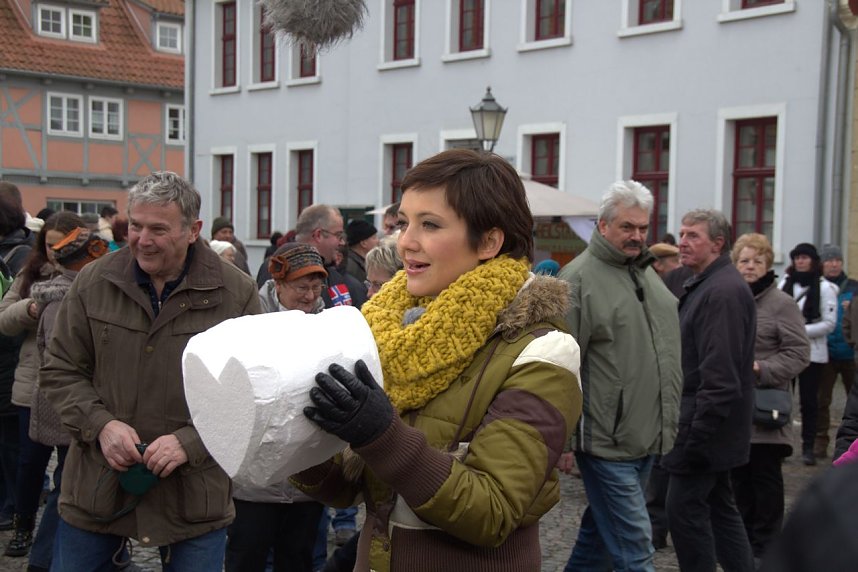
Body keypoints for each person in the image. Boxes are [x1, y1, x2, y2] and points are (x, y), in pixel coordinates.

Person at [291, 149, 582, 570]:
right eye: (405, 222)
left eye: (430, 224)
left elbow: (492, 511)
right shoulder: (386, 329)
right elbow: (346, 491)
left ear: (488, 242)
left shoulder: (543, 351)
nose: (405, 241)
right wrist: (300, 434)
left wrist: (380, 434)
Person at [40, 171, 261, 571]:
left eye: (158, 229)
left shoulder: (236, 293)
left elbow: (254, 393)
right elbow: (60, 369)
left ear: (193, 229)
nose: (143, 240)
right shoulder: (94, 282)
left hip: (194, 496)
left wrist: (190, 443)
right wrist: (101, 426)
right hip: (98, 487)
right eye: (136, 226)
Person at [558, 180, 682, 572]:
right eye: (627, 227)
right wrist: (560, 440)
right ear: (603, 226)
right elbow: (558, 366)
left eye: (643, 228)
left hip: (645, 434)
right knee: (635, 549)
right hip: (604, 441)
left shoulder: (644, 272)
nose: (637, 236)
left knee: (600, 535)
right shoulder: (577, 279)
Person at [661, 209, 756, 572]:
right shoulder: (709, 283)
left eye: (693, 236)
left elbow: (720, 376)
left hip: (706, 427)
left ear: (718, 243)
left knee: (683, 510)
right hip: (710, 425)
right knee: (720, 507)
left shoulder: (723, 291)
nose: (682, 242)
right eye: (682, 234)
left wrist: (696, 436)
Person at [226, 243, 327, 572]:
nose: (310, 296)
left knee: (298, 559)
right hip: (255, 482)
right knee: (246, 557)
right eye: (302, 287)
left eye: (316, 287)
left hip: (307, 478)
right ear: (278, 284)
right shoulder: (250, 322)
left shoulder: (327, 324)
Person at [0, 212, 82, 561]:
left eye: (61, 246)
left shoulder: (86, 277)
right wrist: (32, 309)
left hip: (71, 390)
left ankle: (56, 537)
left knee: (69, 469)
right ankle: (22, 525)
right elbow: (4, 319)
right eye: (49, 245)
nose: (54, 252)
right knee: (29, 466)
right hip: (31, 386)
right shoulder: (29, 273)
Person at [27, 226, 109, 571]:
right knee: (68, 488)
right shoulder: (68, 300)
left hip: (61, 406)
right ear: (89, 257)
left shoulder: (57, 295)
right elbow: (67, 361)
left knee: (67, 484)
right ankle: (45, 560)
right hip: (68, 409)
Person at [730, 233, 810, 563]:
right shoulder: (730, 298)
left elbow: (799, 353)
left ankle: (767, 546)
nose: (750, 267)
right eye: (744, 261)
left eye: (757, 261)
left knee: (765, 481)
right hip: (732, 406)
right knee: (737, 480)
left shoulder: (781, 303)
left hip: (766, 410)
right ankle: (741, 544)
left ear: (767, 265)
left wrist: (761, 367)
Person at [778, 243, 838, 465]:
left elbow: (829, 324)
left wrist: (799, 331)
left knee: (809, 402)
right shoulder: (785, 283)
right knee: (783, 399)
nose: (800, 261)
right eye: (797, 258)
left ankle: (808, 447)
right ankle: (781, 444)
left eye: (804, 257)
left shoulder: (824, 288)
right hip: (785, 351)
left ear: (813, 261)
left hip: (812, 352)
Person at [0, 182, 35, 535]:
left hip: (13, 365)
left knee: (15, 446)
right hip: (10, 363)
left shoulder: (22, 257)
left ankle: (14, 509)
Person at [814, 244, 858, 459]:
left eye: (837, 260)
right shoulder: (817, 287)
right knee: (822, 401)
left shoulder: (853, 286)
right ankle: (820, 441)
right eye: (829, 260)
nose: (833, 264)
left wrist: (852, 342)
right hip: (828, 353)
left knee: (853, 406)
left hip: (850, 355)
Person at [293, 205, 367, 309]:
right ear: (318, 235)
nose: (342, 242)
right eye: (338, 235)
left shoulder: (337, 279)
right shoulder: (279, 270)